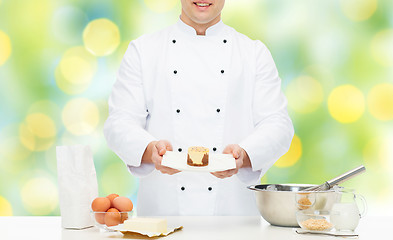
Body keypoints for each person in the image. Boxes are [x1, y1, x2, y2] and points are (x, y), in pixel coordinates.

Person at [104, 0, 294, 216]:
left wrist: (245, 155)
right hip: (163, 218)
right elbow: (118, 124)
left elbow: (279, 126)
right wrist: (151, 151)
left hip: (233, 218)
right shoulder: (143, 50)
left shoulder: (253, 53)